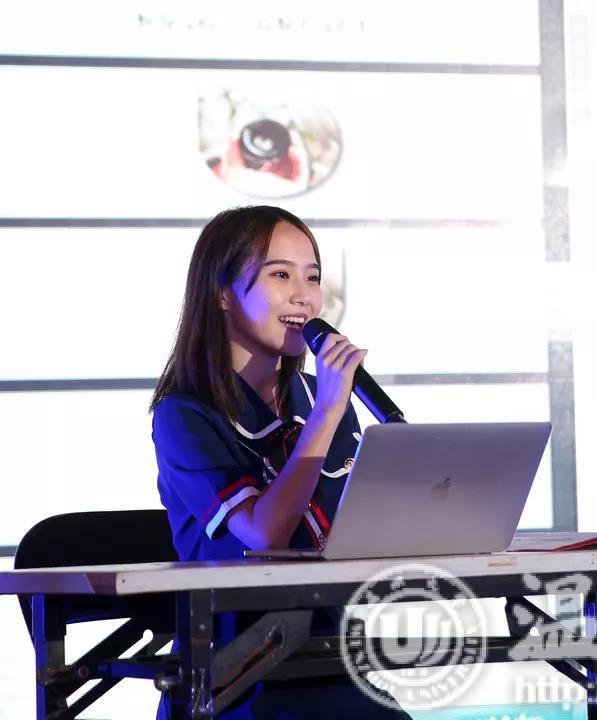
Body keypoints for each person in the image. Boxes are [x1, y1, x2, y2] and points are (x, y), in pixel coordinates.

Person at [149, 205, 411, 719]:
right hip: (240, 677)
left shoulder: (320, 397)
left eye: (312, 277)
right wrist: (328, 412)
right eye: (280, 275)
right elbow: (264, 534)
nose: (304, 296)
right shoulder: (185, 415)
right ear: (222, 294)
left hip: (331, 658)